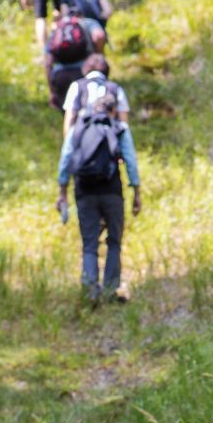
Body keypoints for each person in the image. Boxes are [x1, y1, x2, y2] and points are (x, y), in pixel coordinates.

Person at [56, 56, 141, 305]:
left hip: (84, 188)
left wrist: (62, 190)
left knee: (89, 243)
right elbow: (131, 160)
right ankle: (110, 289)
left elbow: (66, 156)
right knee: (114, 241)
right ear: (113, 107)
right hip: (112, 187)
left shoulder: (78, 125)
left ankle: (90, 289)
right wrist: (136, 191)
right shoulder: (119, 126)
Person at [44, 4, 96, 111]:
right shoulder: (84, 25)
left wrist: (52, 92)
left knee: (67, 113)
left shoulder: (58, 28)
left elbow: (48, 63)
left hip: (60, 76)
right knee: (84, 111)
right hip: (82, 74)